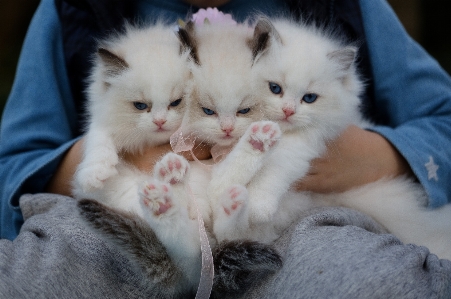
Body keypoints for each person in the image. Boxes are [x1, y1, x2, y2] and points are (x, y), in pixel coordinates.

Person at [0, 0, 450, 297]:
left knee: (381, 280)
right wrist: (125, 151)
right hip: (127, 221)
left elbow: (442, 117)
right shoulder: (74, 8)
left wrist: (372, 156)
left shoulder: (345, 6)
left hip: (297, 222)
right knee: (33, 277)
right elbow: (15, 162)